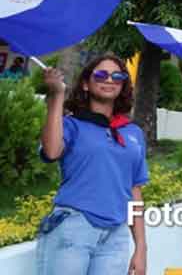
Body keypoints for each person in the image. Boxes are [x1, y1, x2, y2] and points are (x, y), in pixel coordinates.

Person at [36, 55, 148, 275]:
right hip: (74, 228)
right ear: (86, 84)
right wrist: (57, 95)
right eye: (100, 74)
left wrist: (141, 247)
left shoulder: (133, 133)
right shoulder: (72, 125)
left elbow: (134, 191)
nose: (109, 80)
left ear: (123, 84)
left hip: (115, 235)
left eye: (117, 76)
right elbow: (51, 151)